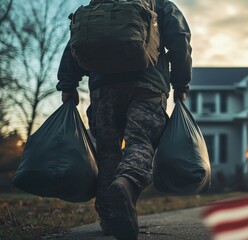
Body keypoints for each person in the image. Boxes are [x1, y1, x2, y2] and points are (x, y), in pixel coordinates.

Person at [56, 0, 192, 239]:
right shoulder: (159, 4)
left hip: (103, 88)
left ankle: (109, 217)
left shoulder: (98, 4)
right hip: (148, 86)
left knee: (107, 152)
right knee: (141, 142)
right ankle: (127, 183)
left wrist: (68, 84)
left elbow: (75, 43)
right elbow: (179, 38)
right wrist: (181, 82)